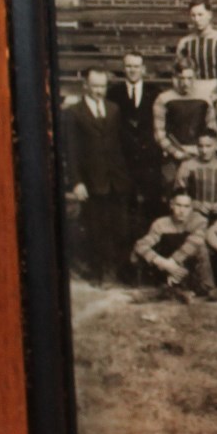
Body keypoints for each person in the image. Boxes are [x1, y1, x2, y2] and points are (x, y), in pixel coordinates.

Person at [62, 67, 131, 283]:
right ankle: (101, 272)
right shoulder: (73, 112)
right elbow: (71, 151)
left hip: (116, 180)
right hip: (92, 180)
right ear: (86, 86)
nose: (99, 91)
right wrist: (77, 182)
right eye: (95, 86)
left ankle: (118, 271)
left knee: (119, 226)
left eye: (102, 86)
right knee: (96, 228)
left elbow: (120, 145)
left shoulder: (114, 109)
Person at [107, 51, 161, 220]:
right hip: (124, 156)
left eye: (136, 66)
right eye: (129, 66)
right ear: (123, 68)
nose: (132, 70)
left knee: (152, 202)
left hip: (149, 156)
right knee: (125, 202)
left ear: (143, 69)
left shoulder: (155, 92)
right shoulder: (113, 93)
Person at [130, 190, 210, 302]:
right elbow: (141, 245)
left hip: (190, 268)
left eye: (186, 206)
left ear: (192, 208)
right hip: (168, 269)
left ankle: (186, 290)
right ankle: (170, 291)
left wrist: (173, 262)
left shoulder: (199, 221)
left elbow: (194, 243)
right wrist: (163, 263)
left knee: (200, 247)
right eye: (178, 205)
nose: (182, 210)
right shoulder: (161, 223)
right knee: (136, 253)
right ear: (171, 205)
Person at [153, 61, 216, 186]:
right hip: (173, 156)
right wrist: (176, 153)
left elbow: (212, 129)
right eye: (181, 78)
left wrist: (201, 151)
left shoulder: (205, 99)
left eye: (189, 78)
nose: (185, 83)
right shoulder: (163, 99)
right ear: (175, 78)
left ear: (195, 78)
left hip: (199, 153)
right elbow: (159, 133)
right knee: (173, 189)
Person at [173, 130, 217, 218]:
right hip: (194, 215)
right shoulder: (187, 166)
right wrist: (194, 204)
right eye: (200, 146)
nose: (204, 150)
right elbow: (178, 192)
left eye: (208, 146)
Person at [175, 0, 217, 101]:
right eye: (193, 15)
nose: (197, 19)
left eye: (200, 15)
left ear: (210, 15)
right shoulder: (184, 43)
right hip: (192, 92)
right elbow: (177, 72)